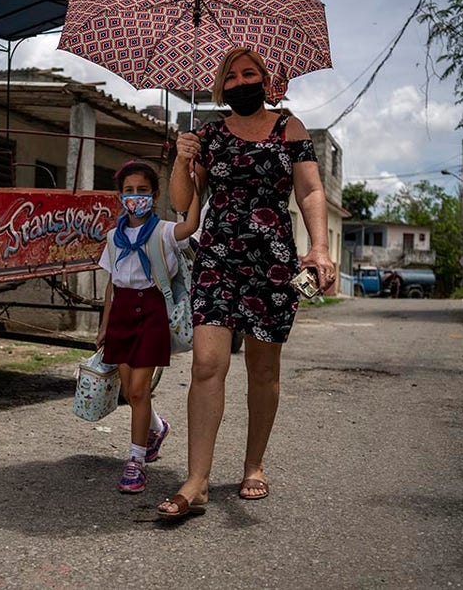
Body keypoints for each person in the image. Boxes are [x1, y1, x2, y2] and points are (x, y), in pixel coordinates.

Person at [157, 47, 336, 520]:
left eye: (249, 74)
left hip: (272, 265)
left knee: (262, 369)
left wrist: (318, 247)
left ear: (266, 79)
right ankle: (196, 482)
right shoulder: (209, 135)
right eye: (231, 77)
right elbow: (185, 206)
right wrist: (183, 161)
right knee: (206, 366)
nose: (240, 83)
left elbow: (311, 189)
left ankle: (253, 465)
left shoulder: (288, 127)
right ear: (220, 88)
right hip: (217, 259)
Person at [96, 160, 200, 494]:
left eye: (142, 191)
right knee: (129, 391)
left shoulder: (164, 231)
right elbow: (112, 284)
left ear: (154, 195)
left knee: (140, 390)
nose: (135, 197)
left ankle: (135, 461)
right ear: (120, 197)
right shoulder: (114, 237)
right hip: (123, 313)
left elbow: (191, 225)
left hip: (152, 310)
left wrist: (195, 185)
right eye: (129, 191)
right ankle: (157, 427)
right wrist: (104, 324)